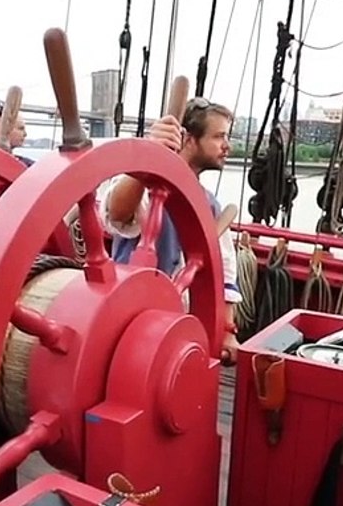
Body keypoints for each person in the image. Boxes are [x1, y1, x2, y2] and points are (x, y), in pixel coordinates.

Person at [101, 98, 243, 362]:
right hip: (121, 322)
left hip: (170, 330)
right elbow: (118, 214)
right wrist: (149, 157)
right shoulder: (143, 186)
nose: (227, 145)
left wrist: (227, 331)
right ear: (189, 139)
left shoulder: (210, 205)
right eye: (219, 136)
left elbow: (224, 273)